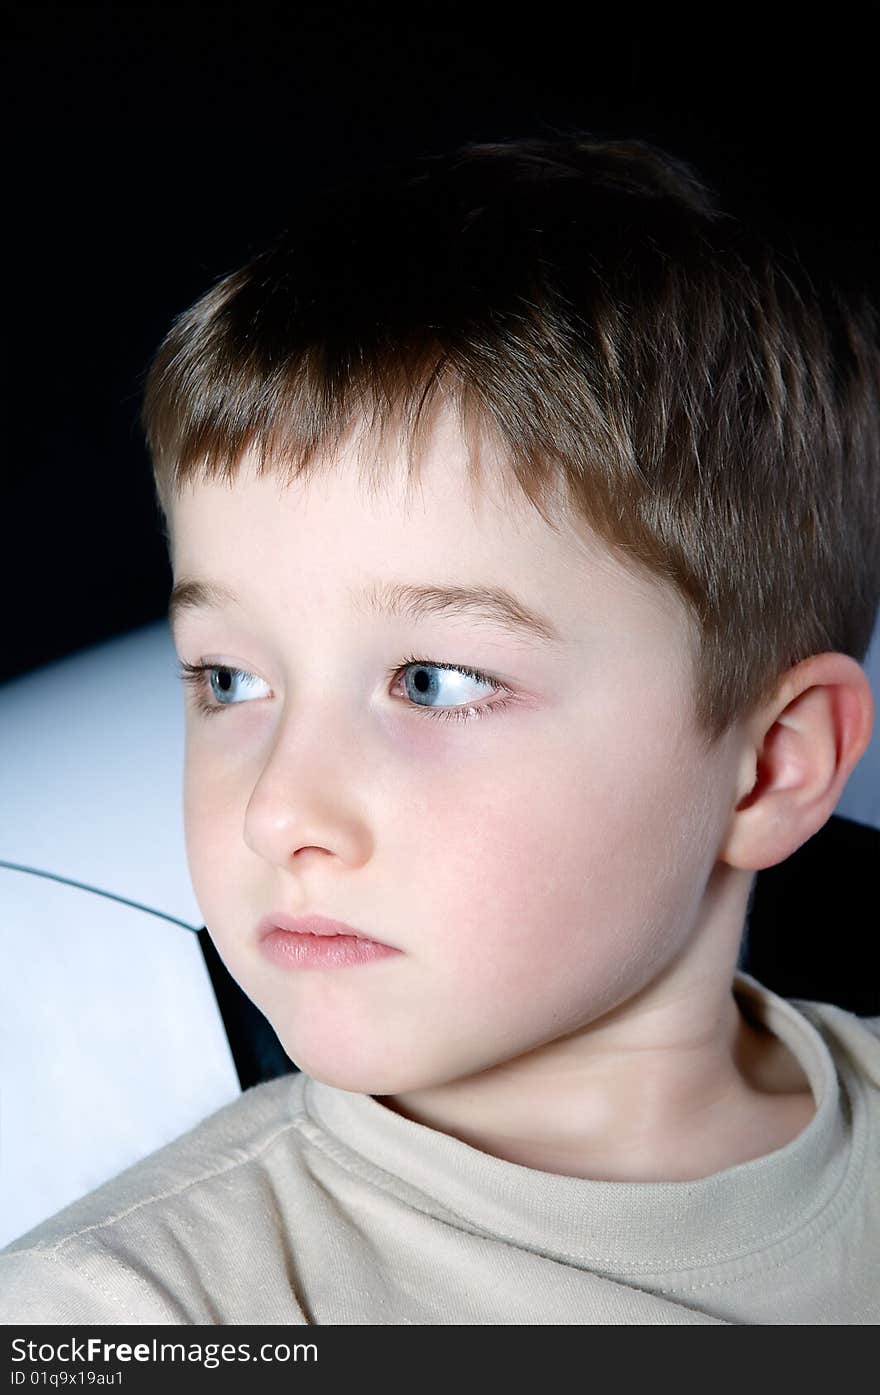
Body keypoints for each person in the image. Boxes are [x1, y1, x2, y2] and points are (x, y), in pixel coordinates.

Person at [2, 132, 878, 1326]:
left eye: (433, 681)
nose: (278, 813)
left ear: (772, 766)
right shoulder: (125, 1318)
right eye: (226, 680)